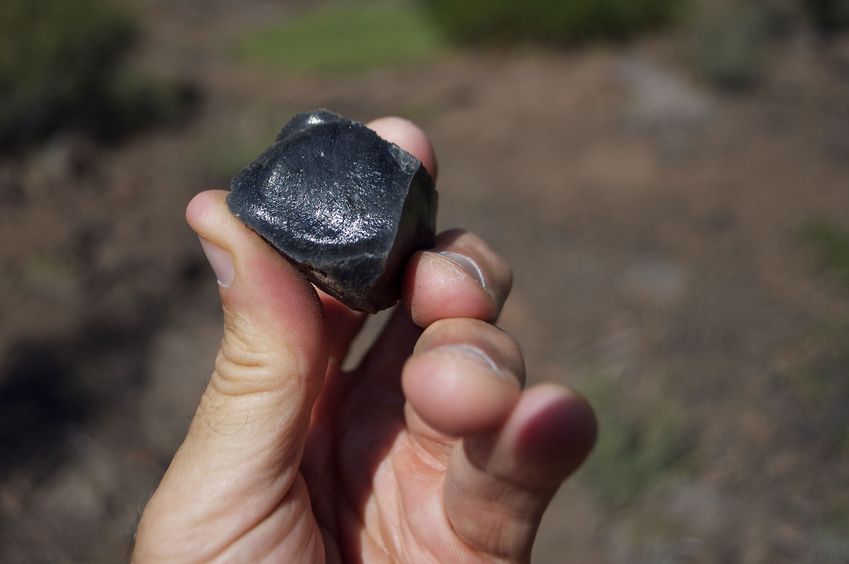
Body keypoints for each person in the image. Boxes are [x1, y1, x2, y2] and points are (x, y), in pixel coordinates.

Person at [132, 117, 597, 563]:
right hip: (335, 222)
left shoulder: (295, 169)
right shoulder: (285, 177)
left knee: (451, 301)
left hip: (366, 233)